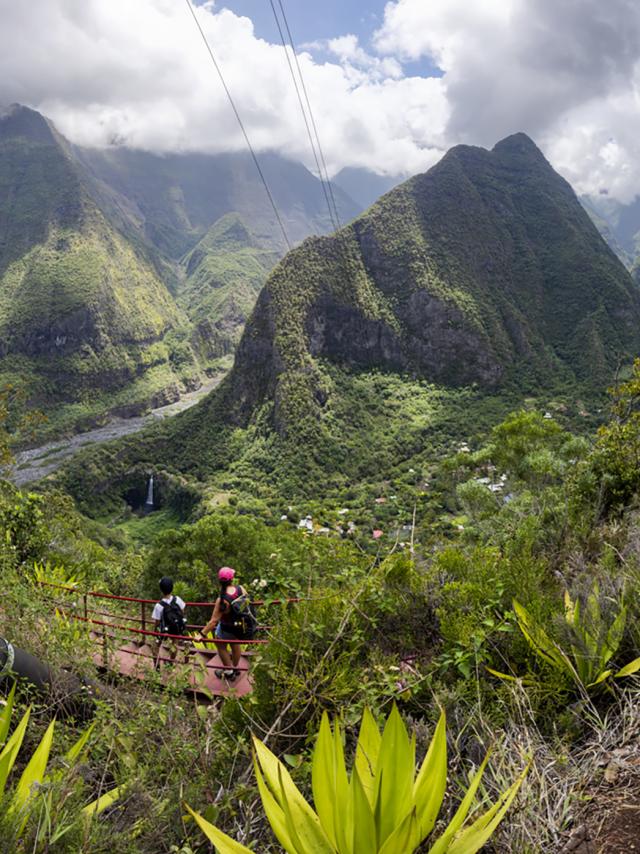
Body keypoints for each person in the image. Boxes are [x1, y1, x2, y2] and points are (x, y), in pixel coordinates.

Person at [200, 567, 248, 680]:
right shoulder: (241, 589)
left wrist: (201, 635)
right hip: (240, 626)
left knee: (220, 644)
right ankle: (235, 668)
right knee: (235, 644)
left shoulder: (222, 600)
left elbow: (213, 621)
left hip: (227, 628)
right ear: (232, 579)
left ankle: (229, 671)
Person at [151, 577, 186, 665]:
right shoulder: (177, 599)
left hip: (164, 630)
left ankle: (157, 667)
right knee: (174, 644)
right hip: (176, 628)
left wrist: (155, 631)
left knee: (155, 646)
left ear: (161, 590)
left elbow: (157, 622)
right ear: (172, 588)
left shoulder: (159, 605)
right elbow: (182, 612)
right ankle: (171, 662)